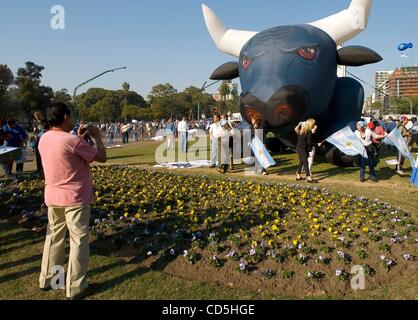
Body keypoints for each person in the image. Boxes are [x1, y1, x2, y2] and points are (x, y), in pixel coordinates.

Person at [38, 102, 107, 300]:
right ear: (66, 117)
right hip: (75, 197)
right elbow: (101, 157)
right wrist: (96, 137)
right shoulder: (72, 141)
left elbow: (67, 152)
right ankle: (76, 287)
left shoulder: (44, 138)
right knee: (78, 240)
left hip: (53, 195)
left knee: (54, 238)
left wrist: (80, 138)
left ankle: (50, 278)